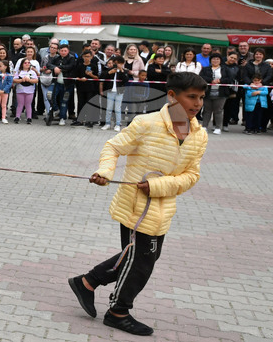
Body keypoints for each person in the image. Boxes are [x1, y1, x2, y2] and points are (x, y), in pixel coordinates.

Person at [70, 72, 208, 337]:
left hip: (163, 207)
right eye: (191, 96)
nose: (197, 103)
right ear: (171, 96)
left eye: (201, 98)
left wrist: (158, 186)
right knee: (142, 262)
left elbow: (192, 175)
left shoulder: (199, 135)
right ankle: (118, 312)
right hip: (135, 205)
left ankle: (87, 282)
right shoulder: (146, 123)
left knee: (143, 256)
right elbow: (112, 147)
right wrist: (105, 173)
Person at [199, 54, 234, 135]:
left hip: (221, 93)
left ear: (220, 60)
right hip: (208, 92)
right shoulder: (206, 69)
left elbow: (229, 79)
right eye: (213, 59)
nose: (215, 61)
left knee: (218, 111)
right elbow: (201, 77)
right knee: (207, 110)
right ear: (210, 60)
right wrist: (211, 80)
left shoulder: (225, 69)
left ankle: (218, 127)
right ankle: (204, 126)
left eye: (217, 59)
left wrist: (220, 81)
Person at [100, 56, 130, 131]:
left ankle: (117, 124)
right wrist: (109, 72)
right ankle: (107, 123)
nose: (117, 65)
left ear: (123, 63)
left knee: (117, 108)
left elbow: (126, 80)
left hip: (119, 92)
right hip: (110, 91)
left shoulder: (125, 71)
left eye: (119, 63)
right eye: (116, 63)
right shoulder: (109, 70)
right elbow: (102, 77)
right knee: (109, 108)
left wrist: (121, 71)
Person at [14, 58, 38, 124]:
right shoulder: (19, 72)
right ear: (22, 64)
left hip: (30, 91)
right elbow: (14, 80)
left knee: (28, 104)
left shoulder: (32, 72)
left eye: (28, 63)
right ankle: (17, 117)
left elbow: (36, 80)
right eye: (25, 63)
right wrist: (21, 80)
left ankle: (29, 118)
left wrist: (29, 80)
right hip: (20, 90)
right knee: (20, 104)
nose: (27, 64)